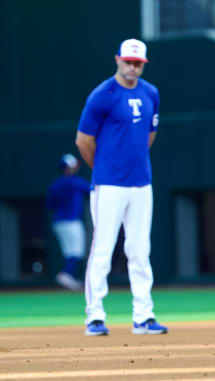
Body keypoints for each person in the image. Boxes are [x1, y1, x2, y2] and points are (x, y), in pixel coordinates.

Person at [75, 39, 167, 336]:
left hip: (142, 183)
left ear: (143, 64)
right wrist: (103, 169)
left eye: (137, 62)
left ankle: (144, 315)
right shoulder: (103, 95)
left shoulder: (151, 92)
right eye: (128, 61)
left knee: (140, 250)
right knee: (102, 248)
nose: (132, 67)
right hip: (108, 184)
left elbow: (149, 137)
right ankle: (95, 316)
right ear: (117, 59)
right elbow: (83, 141)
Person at [46, 154, 89, 291]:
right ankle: (66, 274)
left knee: (69, 252)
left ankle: (71, 278)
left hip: (58, 222)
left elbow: (50, 205)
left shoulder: (55, 185)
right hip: (72, 221)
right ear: (69, 168)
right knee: (76, 251)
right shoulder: (76, 182)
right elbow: (91, 192)